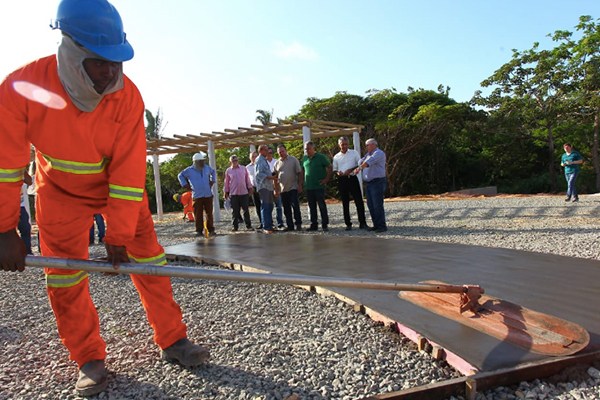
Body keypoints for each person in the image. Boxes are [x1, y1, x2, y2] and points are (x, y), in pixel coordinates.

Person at [0, 0, 209, 396]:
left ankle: (172, 339)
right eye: (99, 62)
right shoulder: (20, 89)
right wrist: (3, 228)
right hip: (59, 195)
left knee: (150, 264)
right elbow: (5, 168)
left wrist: (119, 231)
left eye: (117, 61)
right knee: (65, 277)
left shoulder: (127, 97)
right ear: (71, 51)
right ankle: (89, 358)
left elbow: (129, 175)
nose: (110, 72)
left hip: (119, 194)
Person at [178, 151, 217, 237]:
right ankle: (198, 231)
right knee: (198, 214)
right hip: (197, 196)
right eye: (200, 161)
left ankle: (211, 229)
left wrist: (212, 180)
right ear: (195, 162)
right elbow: (180, 175)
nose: (203, 162)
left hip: (208, 195)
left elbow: (213, 172)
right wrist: (185, 184)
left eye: (203, 160)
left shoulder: (207, 168)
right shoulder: (189, 170)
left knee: (209, 213)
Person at [332, 137, 368, 231]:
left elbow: (359, 164)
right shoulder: (336, 156)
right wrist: (338, 173)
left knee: (359, 201)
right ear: (339, 145)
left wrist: (351, 170)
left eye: (345, 144)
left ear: (348, 144)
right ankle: (348, 224)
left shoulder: (354, 153)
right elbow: (335, 169)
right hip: (342, 180)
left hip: (352, 178)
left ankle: (362, 223)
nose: (344, 146)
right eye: (342, 144)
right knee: (345, 202)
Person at [355, 138, 388, 232]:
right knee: (371, 205)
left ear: (373, 145)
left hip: (377, 182)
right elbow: (360, 162)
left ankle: (382, 226)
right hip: (369, 183)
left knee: (377, 205)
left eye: (367, 145)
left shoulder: (378, 153)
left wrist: (359, 168)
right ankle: (376, 225)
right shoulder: (368, 154)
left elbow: (368, 162)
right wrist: (362, 164)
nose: (366, 147)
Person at [302, 142, 332, 232]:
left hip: (319, 186)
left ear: (313, 148)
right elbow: (302, 171)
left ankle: (324, 224)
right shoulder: (304, 158)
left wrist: (326, 179)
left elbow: (330, 167)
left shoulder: (321, 157)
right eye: (306, 149)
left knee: (322, 205)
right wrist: (302, 182)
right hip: (309, 186)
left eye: (309, 148)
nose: (307, 150)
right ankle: (314, 225)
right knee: (311, 207)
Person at [274, 144, 303, 231]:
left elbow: (300, 172)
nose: (281, 153)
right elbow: (275, 177)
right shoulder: (277, 163)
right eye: (279, 152)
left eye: (282, 151)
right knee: (286, 208)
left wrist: (300, 184)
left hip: (293, 187)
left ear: (286, 150)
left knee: (295, 206)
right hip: (283, 189)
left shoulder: (293, 160)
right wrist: (276, 189)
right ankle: (290, 225)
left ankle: (298, 224)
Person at [224, 155, 254, 231]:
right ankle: (235, 226)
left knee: (246, 210)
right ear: (230, 162)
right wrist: (226, 191)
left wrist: (250, 187)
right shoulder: (228, 171)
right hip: (233, 193)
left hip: (244, 192)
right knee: (235, 211)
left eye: (236, 160)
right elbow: (226, 182)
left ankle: (248, 226)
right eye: (233, 161)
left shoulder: (243, 168)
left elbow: (247, 179)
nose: (235, 162)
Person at [255, 144, 277, 234]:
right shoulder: (259, 160)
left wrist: (272, 175)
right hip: (264, 187)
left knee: (270, 206)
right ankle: (266, 227)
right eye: (266, 149)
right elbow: (259, 174)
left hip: (268, 186)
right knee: (266, 206)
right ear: (261, 151)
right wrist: (271, 177)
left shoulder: (264, 160)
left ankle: (269, 225)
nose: (268, 151)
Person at [266, 147, 284, 228]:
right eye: (268, 152)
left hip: (276, 186)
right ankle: (270, 223)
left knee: (279, 206)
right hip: (267, 187)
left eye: (271, 152)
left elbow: (278, 175)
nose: (270, 154)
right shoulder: (263, 163)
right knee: (269, 207)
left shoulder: (276, 161)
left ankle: (280, 223)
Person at [18, 170, 33, 255]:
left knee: (26, 228)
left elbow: (29, 181)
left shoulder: (19, 167)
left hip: (20, 205)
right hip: (5, 205)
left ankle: (27, 252)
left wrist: (22, 170)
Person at [246, 151, 262, 229]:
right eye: (253, 156)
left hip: (262, 187)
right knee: (258, 206)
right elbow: (247, 179)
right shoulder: (247, 167)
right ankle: (261, 222)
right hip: (254, 188)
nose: (254, 158)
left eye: (256, 156)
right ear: (250, 158)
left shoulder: (261, 164)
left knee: (265, 205)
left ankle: (269, 222)